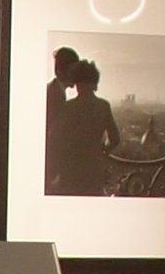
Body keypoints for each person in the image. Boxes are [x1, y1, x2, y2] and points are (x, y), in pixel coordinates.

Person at [44, 46, 118, 198]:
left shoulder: (69, 107)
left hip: (71, 169)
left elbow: (55, 135)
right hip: (94, 168)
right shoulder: (104, 106)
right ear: (95, 84)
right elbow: (115, 139)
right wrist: (102, 151)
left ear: (77, 84)